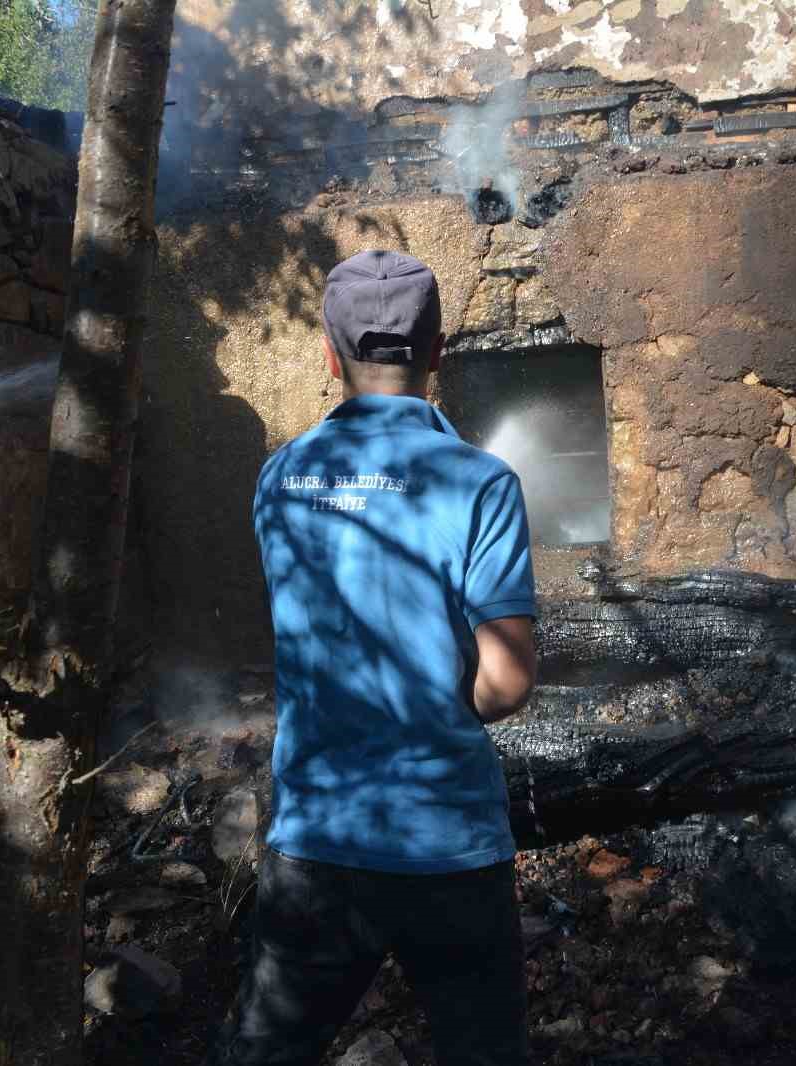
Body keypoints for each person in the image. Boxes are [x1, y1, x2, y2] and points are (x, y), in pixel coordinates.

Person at [218, 250, 538, 1066]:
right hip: (451, 843)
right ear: (438, 352)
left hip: (320, 838)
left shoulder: (280, 477)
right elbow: (505, 684)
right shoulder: (484, 482)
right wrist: (438, 701)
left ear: (328, 355)